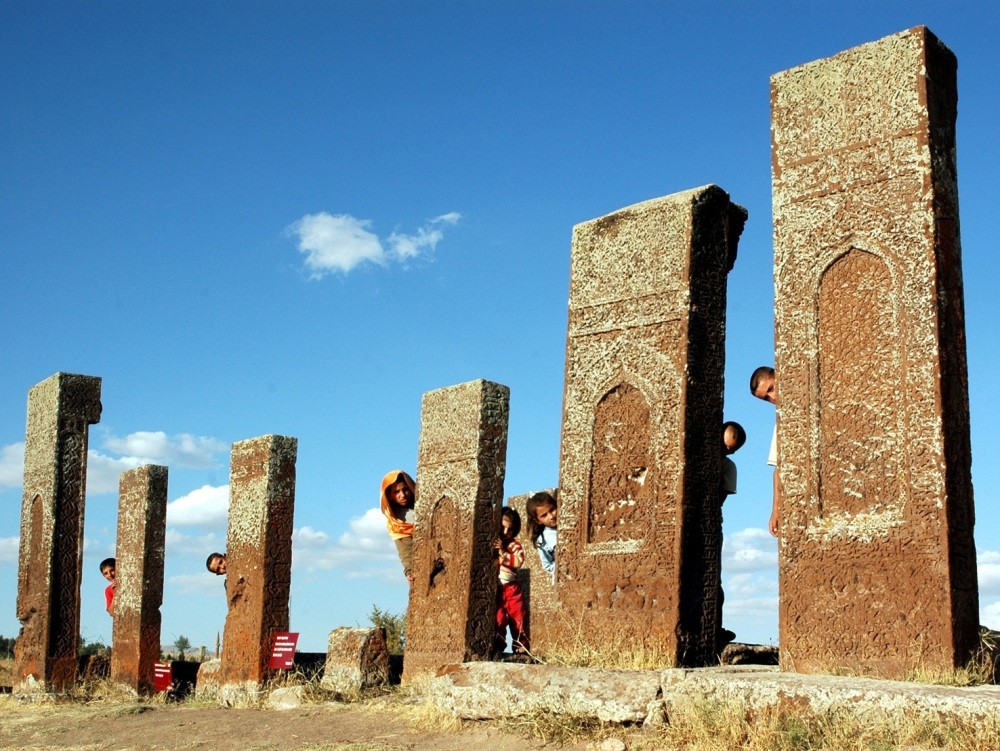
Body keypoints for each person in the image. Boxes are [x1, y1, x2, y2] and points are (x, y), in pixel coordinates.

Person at [718, 420, 746, 649]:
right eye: (726, 446)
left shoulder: (728, 467)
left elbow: (720, 499)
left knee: (712, 580)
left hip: (710, 524)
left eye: (732, 450)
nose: (728, 451)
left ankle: (714, 626)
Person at [750, 365, 780, 537]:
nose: (773, 397)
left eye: (771, 388)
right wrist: (775, 510)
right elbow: (779, 469)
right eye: (766, 398)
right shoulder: (780, 425)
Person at [494, 507, 529, 655]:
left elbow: (519, 561)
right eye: (503, 527)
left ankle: (521, 645)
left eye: (510, 529)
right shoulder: (494, 542)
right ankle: (497, 645)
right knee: (499, 618)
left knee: (518, 617)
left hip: (512, 588)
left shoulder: (514, 545)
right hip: (497, 589)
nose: (506, 532)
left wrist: (503, 553)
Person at [381, 470, 416, 583]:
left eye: (405, 489)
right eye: (396, 492)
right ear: (390, 496)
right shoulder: (397, 523)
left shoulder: (424, 505)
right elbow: (404, 550)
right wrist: (409, 570)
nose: (402, 495)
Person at [525, 491, 558, 581]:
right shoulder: (542, 540)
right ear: (538, 520)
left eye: (552, 510)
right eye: (544, 515)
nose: (551, 516)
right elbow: (547, 564)